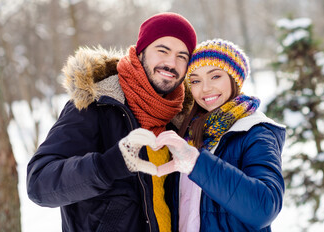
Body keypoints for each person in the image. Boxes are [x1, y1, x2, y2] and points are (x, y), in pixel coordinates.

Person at [26, 12, 196, 232]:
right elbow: (39, 184)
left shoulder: (182, 119)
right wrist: (108, 166)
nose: (171, 63)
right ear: (141, 52)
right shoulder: (96, 105)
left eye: (182, 56)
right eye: (162, 50)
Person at [155, 39, 286, 231]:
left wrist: (197, 163)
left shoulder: (256, 132)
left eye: (215, 76)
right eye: (196, 80)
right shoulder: (189, 134)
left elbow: (265, 207)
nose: (205, 88)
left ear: (235, 79)